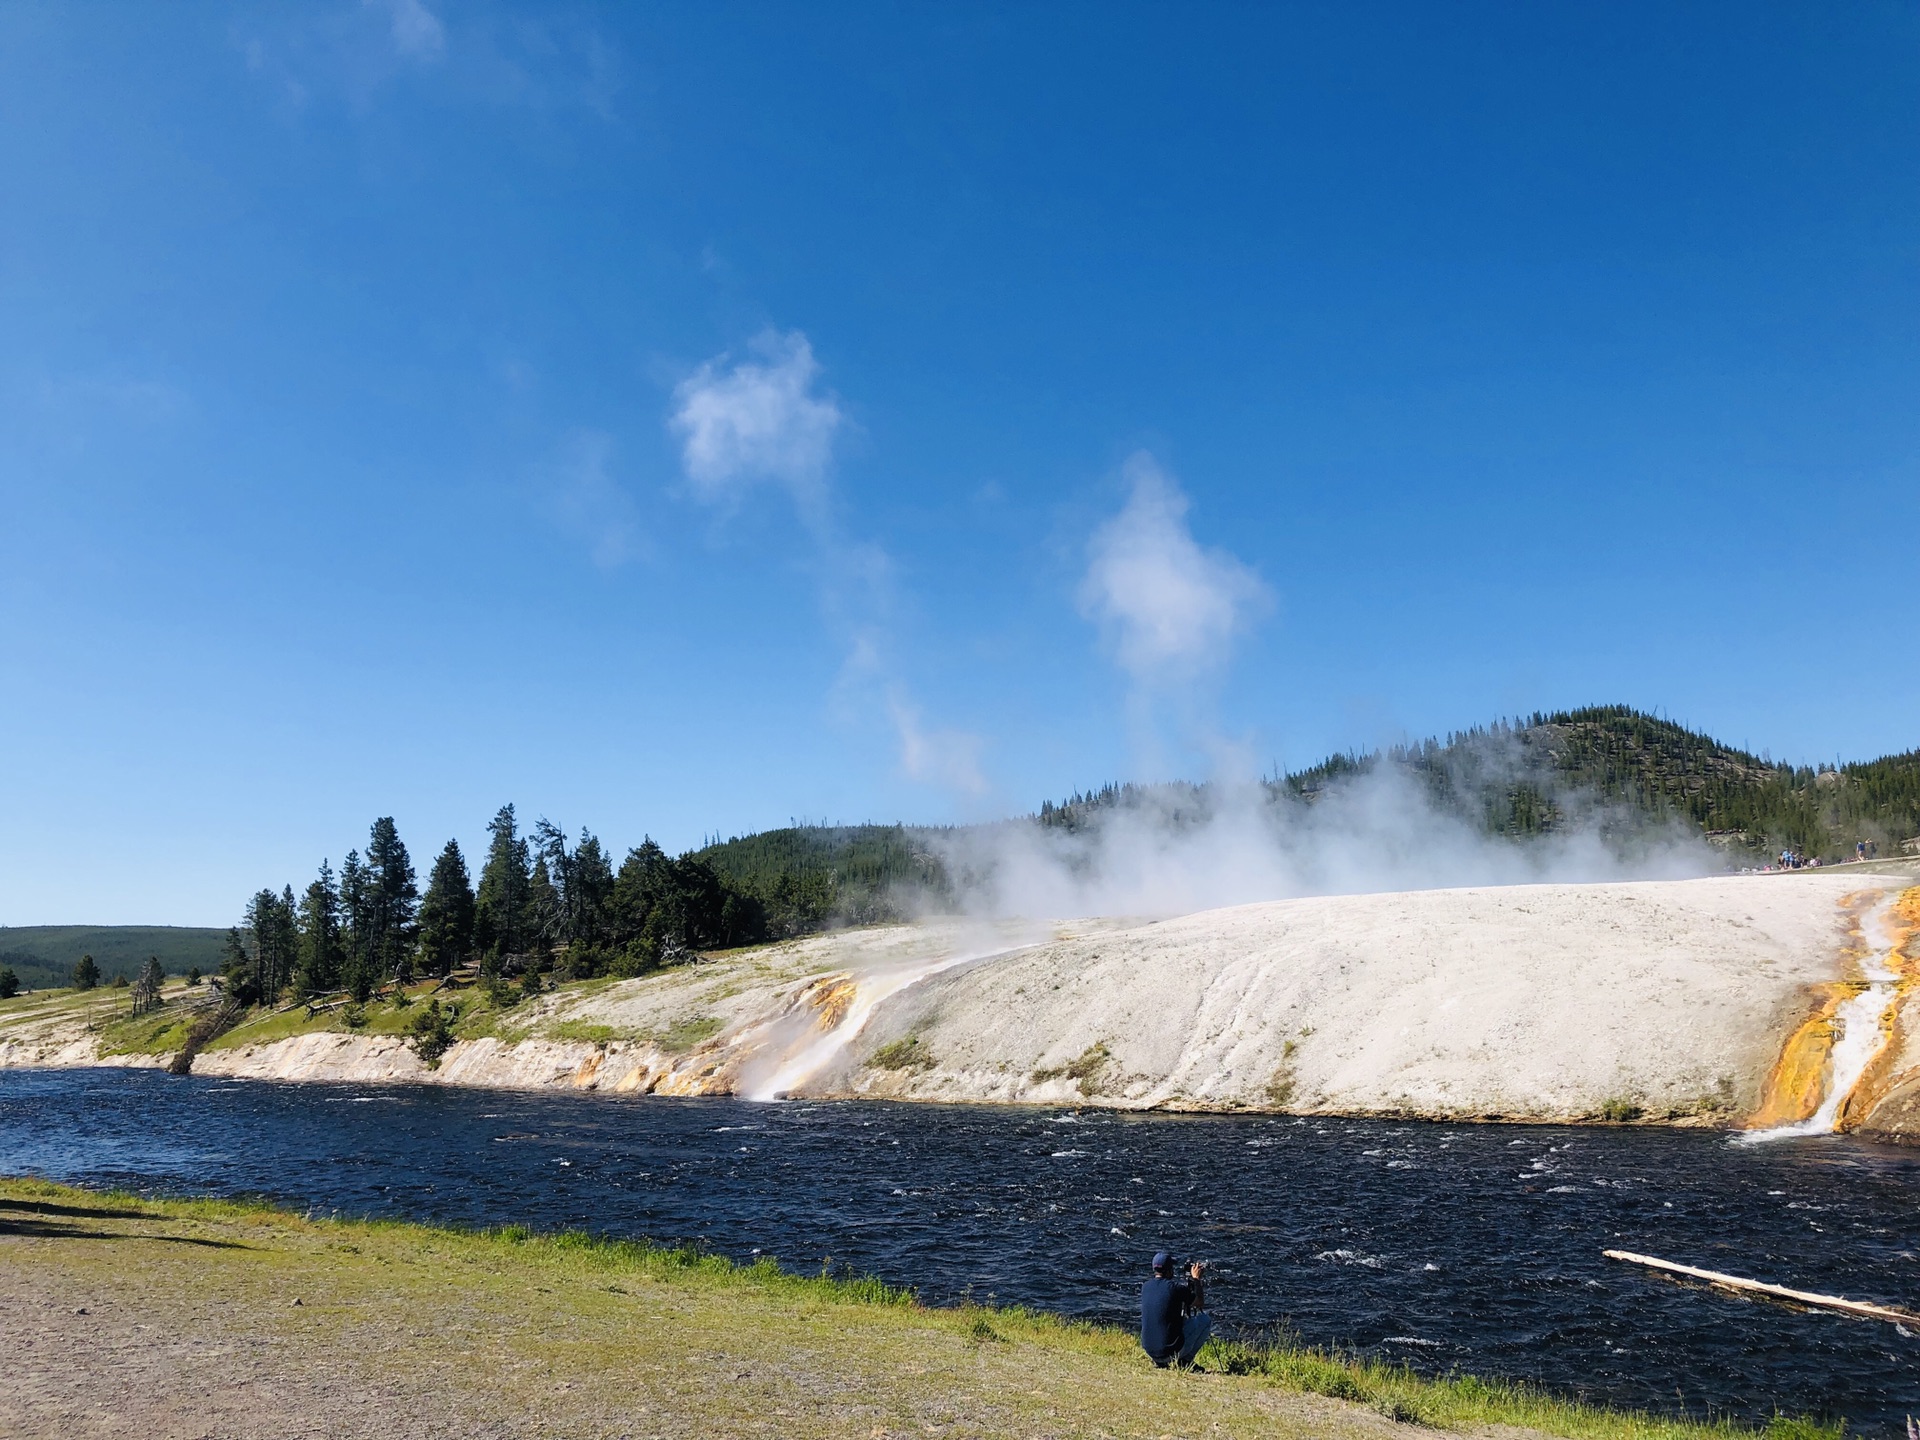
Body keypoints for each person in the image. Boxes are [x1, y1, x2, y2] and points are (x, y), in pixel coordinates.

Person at [1139, 1251, 1212, 1369]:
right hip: (1169, 1352)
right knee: (1205, 1320)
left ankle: (1162, 1362)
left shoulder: (1145, 1287)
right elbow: (1199, 1302)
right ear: (1168, 1271)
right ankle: (1185, 1361)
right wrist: (1196, 1280)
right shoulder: (1175, 1288)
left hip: (1150, 1350)